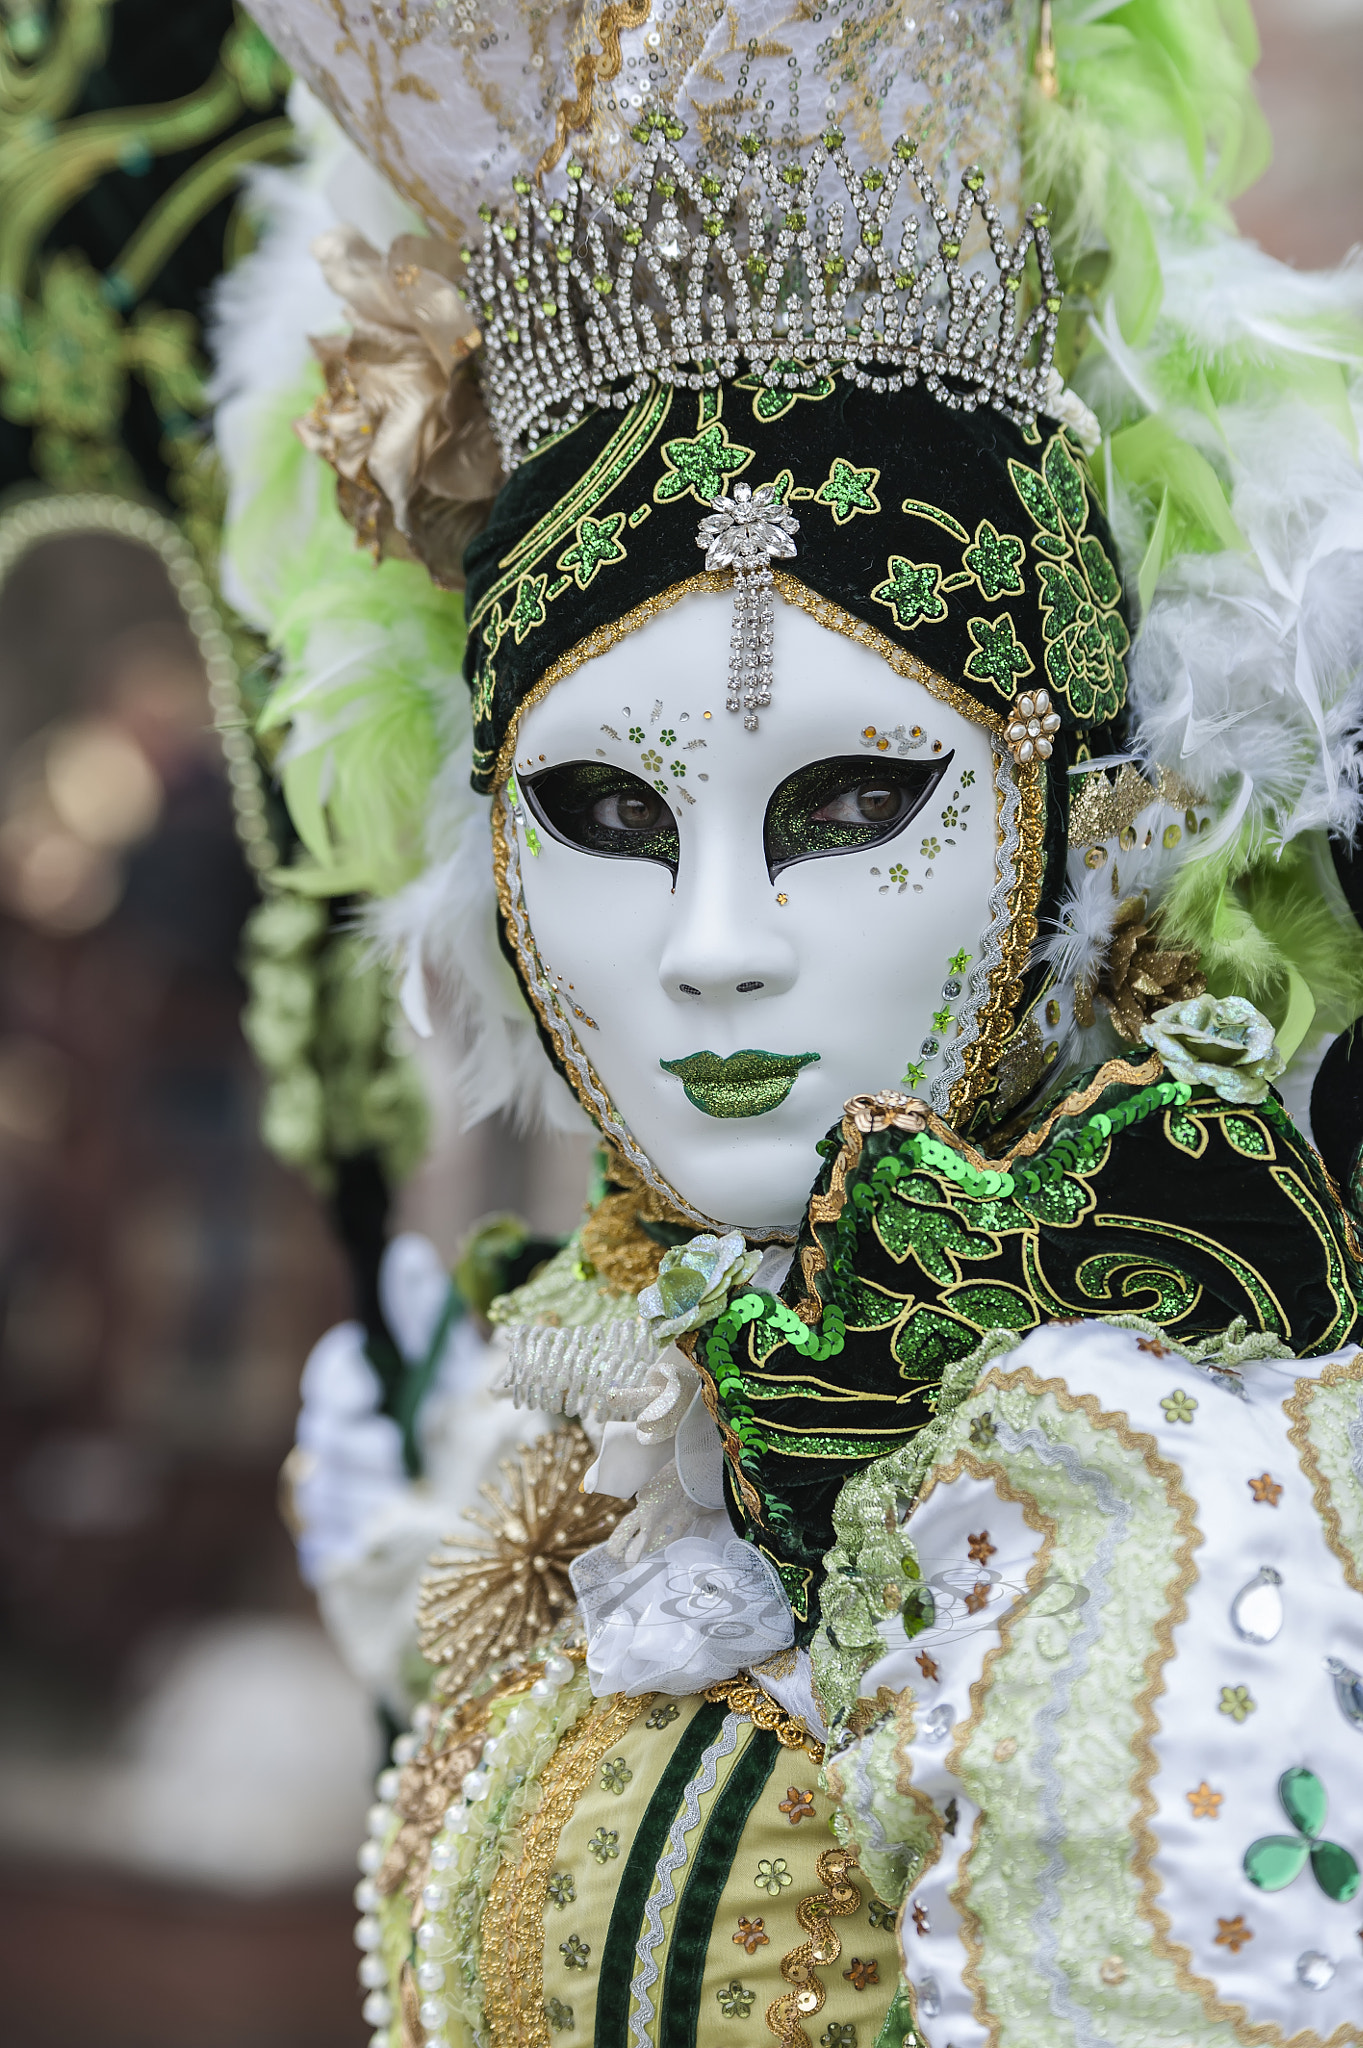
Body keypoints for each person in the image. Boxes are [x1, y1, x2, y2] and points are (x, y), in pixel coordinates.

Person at [220, 4, 1363, 2042]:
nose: (714, 950)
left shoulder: (1169, 1487)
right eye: (598, 816)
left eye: (849, 804)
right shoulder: (581, 1422)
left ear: (1070, 810)